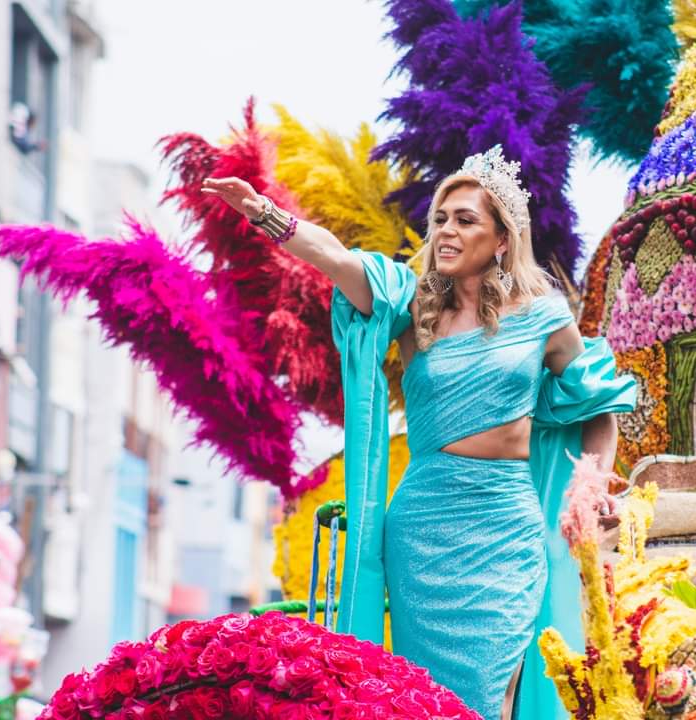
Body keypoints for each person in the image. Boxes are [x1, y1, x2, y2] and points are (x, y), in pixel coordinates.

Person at [201, 145, 637, 720]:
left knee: (494, 691)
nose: (447, 232)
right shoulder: (410, 304)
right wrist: (266, 215)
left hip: (505, 525)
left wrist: (592, 485)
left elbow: (596, 409)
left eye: (465, 220)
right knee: (427, 701)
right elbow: (337, 259)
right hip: (424, 529)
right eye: (439, 220)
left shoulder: (544, 316)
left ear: (502, 239)